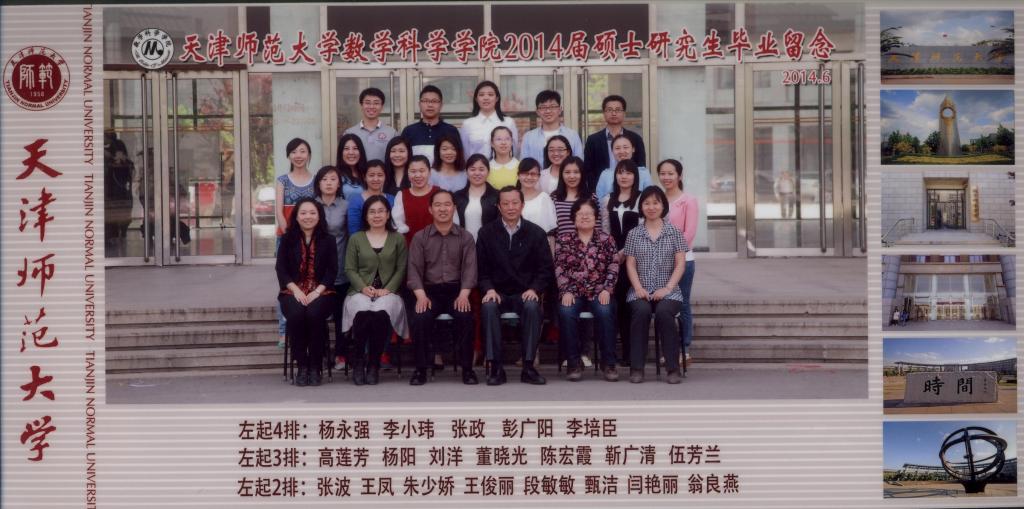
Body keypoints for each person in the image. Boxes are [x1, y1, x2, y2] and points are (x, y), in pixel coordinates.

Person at [476, 186, 554, 386]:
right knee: (488, 307)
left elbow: (545, 269)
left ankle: (528, 367)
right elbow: (481, 270)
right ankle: (496, 367)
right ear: (498, 206)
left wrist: (534, 289)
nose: (510, 207)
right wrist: (489, 289)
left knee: (532, 307)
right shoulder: (486, 233)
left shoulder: (536, 233)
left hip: (525, 292)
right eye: (505, 203)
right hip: (497, 292)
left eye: (515, 203)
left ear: (522, 205)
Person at [407, 189, 479, 386]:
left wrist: (464, 295)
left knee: (465, 317)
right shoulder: (420, 237)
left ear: (454, 208)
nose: (443, 209)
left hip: (457, 291)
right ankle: (420, 369)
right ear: (430, 209)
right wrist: (421, 296)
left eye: (447, 204)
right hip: (429, 291)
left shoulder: (465, 237)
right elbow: (413, 270)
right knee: (420, 318)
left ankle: (467, 370)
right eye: (438, 205)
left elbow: (470, 269)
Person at [341, 196, 409, 385]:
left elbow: (401, 268)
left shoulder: (398, 238)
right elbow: (350, 269)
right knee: (362, 312)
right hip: (359, 290)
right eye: (372, 212)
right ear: (365, 216)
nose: (377, 215)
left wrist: (388, 289)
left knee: (380, 314)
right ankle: (358, 361)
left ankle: (373, 364)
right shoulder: (356, 238)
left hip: (388, 292)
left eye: (381, 211)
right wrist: (362, 287)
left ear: (388, 214)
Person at [624, 187, 688, 384]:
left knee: (664, 313)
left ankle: (673, 368)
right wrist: (638, 288)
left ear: (663, 206)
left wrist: (667, 288)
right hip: (640, 290)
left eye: (655, 203)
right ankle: (637, 368)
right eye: (647, 203)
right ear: (641, 207)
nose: (651, 207)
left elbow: (681, 264)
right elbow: (630, 264)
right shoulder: (634, 234)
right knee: (641, 312)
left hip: (669, 291)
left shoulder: (674, 232)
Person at [555, 198, 619, 382]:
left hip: (600, 291)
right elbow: (559, 267)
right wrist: (565, 290)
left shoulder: (606, 239)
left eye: (588, 214)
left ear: (596, 217)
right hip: (573, 291)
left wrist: (607, 289)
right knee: (566, 312)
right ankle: (573, 363)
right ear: (573, 218)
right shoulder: (564, 240)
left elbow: (614, 265)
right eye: (580, 214)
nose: (584, 217)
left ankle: (608, 363)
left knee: (605, 311)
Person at [276, 197, 338, 387]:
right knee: (296, 314)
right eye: (303, 213)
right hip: (292, 291)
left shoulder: (329, 240)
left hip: (321, 292)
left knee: (314, 314)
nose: (308, 217)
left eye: (312, 213)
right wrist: (295, 290)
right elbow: (281, 269)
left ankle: (315, 365)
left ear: (319, 216)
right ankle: (302, 365)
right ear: (296, 216)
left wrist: (317, 291)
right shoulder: (287, 239)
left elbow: (332, 271)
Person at [275, 138, 317, 347]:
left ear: (309, 154)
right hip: (287, 238)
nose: (298, 156)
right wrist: (289, 236)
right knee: (287, 285)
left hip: (311, 239)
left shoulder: (316, 180)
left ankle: (307, 327)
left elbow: (317, 212)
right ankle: (284, 332)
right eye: (294, 152)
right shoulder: (282, 180)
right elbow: (279, 212)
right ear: (288, 156)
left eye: (302, 151)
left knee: (308, 281)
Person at [601, 159, 642, 365]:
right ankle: (614, 352)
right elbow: (605, 231)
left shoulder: (642, 199)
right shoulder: (607, 199)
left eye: (628, 173)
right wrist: (613, 254)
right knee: (615, 306)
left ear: (635, 176)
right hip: (613, 260)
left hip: (636, 259)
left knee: (631, 306)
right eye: (620, 172)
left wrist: (625, 251)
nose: (624, 176)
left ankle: (631, 353)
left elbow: (642, 230)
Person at [658, 158, 698, 368]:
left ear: (679, 176)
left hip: (683, 261)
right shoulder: (656, 199)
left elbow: (688, 234)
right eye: (663, 173)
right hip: (658, 263)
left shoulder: (688, 201)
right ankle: (668, 350)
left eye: (670, 173)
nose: (666, 177)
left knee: (682, 304)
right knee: (664, 306)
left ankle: (685, 349)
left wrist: (669, 252)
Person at [313, 166, 351, 371]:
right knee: (317, 314)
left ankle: (341, 354)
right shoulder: (310, 206)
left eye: (333, 179)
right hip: (317, 271)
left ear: (339, 184)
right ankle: (321, 352)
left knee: (340, 315)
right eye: (324, 179)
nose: (328, 183)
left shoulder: (346, 206)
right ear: (318, 183)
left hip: (341, 268)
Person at [583, 95, 647, 193]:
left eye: (618, 110)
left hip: (631, 191)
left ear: (624, 113)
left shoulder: (635, 139)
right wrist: (594, 191)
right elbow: (588, 170)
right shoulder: (593, 140)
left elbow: (640, 166)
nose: (613, 113)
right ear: (604, 113)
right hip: (603, 191)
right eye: (609, 110)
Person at [401, 84, 461, 165]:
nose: (430, 105)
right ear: (419, 104)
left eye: (434, 101)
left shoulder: (451, 131)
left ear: (441, 105)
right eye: (425, 101)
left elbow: (459, 160)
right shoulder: (409, 131)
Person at [520, 90, 584, 165]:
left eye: (552, 106)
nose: (548, 111)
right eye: (543, 107)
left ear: (560, 110)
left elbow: (579, 164)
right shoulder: (529, 137)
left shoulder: (572, 135)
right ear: (537, 111)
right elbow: (524, 166)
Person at [460, 80, 518, 160]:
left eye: (490, 95)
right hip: (476, 167)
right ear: (476, 99)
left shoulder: (508, 122)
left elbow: (514, 150)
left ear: (497, 98)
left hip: (502, 167)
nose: (486, 98)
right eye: (481, 95)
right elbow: (465, 153)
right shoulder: (468, 124)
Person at [394, 155, 443, 244]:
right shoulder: (402, 195)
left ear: (429, 172)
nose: (417, 175)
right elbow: (398, 223)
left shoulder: (439, 193)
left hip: (437, 246)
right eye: (413, 171)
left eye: (422, 171)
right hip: (411, 246)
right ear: (407, 173)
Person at [343, 87, 397, 162]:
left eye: (376, 103)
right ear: (361, 105)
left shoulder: (392, 133)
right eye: (367, 103)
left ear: (382, 107)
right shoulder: (349, 133)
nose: (371, 107)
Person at [454, 154, 500, 239]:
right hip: (464, 245)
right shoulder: (457, 196)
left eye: (481, 169)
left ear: (488, 172)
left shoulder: (497, 196)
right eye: (472, 169)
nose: (477, 173)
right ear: (466, 172)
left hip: (489, 245)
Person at [595, 134, 652, 201]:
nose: (622, 151)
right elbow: (599, 200)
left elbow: (650, 198)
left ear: (633, 149)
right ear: (612, 151)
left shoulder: (644, 173)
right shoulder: (605, 174)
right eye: (617, 148)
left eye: (625, 147)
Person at [551, 156, 597, 236]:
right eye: (567, 172)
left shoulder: (592, 197)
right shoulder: (553, 198)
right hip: (561, 243)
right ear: (561, 174)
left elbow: (597, 227)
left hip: (589, 244)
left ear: (582, 174)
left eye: (576, 172)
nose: (572, 176)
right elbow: (551, 230)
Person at [347, 160, 396, 236]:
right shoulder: (356, 201)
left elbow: (395, 225)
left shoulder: (392, 199)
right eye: (371, 175)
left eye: (380, 175)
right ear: (364, 177)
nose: (376, 179)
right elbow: (354, 231)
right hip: (362, 242)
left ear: (385, 177)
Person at [104, 137, 134, 256]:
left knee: (124, 217)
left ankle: (122, 232)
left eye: (121, 152)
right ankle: (113, 236)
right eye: (117, 152)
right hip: (111, 194)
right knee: (112, 218)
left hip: (124, 194)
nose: (119, 154)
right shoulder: (108, 163)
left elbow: (131, 176)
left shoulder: (128, 163)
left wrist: (124, 163)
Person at [517, 157, 558, 236]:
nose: (529, 177)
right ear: (518, 175)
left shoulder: (544, 198)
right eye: (525, 173)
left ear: (539, 176)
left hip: (540, 241)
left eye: (533, 174)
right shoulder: (512, 197)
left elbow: (551, 229)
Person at [336, 133, 368, 201]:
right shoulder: (335, 175)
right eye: (346, 149)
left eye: (355, 148)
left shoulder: (367, 173)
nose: (351, 152)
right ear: (341, 152)